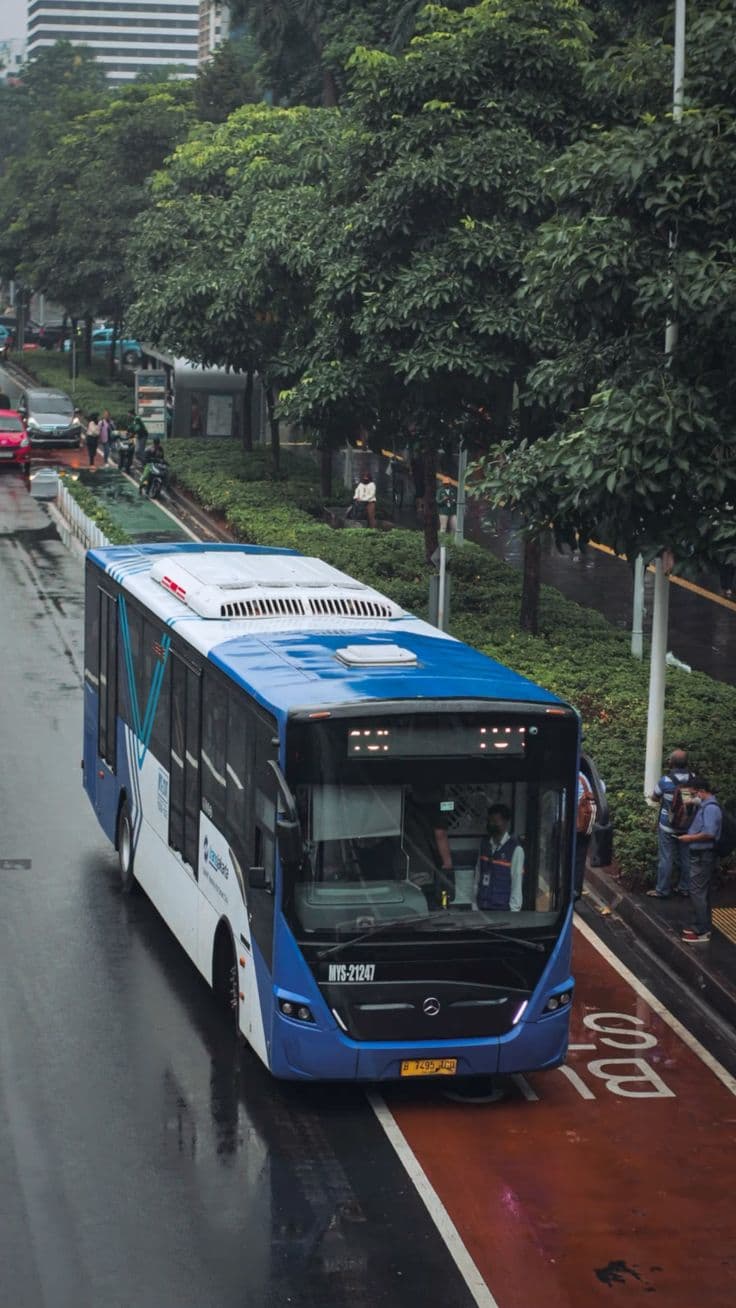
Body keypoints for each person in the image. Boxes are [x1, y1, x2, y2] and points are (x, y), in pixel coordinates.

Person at [677, 777, 721, 943]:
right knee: (701, 891)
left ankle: (701, 930)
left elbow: (709, 832)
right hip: (701, 853)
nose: (695, 796)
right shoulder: (705, 804)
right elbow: (693, 801)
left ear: (702, 791)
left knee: (697, 892)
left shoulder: (711, 809)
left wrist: (690, 838)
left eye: (696, 793)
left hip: (703, 854)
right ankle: (701, 924)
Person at [647, 748, 695, 898]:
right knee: (686, 857)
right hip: (687, 825)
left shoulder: (665, 781)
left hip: (667, 825)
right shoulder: (693, 778)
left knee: (666, 858)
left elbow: (655, 798)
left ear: (671, 763)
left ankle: (662, 889)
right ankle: (685, 888)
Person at [476, 804, 524, 912]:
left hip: (503, 909)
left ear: (505, 822)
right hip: (482, 906)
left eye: (495, 821)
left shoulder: (515, 849)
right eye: (489, 821)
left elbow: (517, 881)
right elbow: (478, 874)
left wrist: (514, 911)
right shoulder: (484, 845)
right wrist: (474, 904)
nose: (491, 824)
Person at [575, 771, 597, 899]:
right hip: (585, 825)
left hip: (570, 825)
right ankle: (576, 890)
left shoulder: (568, 775)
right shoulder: (586, 776)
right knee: (579, 859)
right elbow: (602, 788)